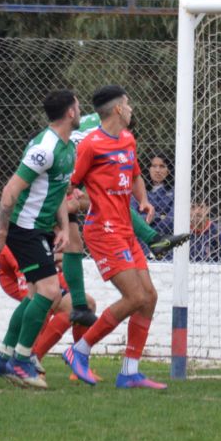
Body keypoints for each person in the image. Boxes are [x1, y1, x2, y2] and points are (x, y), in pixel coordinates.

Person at [61, 85, 164, 390]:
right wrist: (66, 214)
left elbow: (133, 175)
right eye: (128, 104)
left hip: (125, 229)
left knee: (149, 297)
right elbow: (70, 184)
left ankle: (130, 371)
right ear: (118, 109)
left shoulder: (128, 139)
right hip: (103, 232)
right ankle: (78, 351)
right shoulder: (91, 145)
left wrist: (143, 200)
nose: (132, 108)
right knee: (134, 297)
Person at [0, 89, 80, 389]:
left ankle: (3, 356)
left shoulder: (68, 148)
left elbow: (58, 191)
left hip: (39, 229)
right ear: (70, 113)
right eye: (78, 106)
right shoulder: (45, 148)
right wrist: (2, 231)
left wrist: (63, 227)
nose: (80, 109)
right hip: (24, 229)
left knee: (35, 294)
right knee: (51, 291)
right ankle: (22, 360)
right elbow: (10, 191)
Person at [0, 246, 100, 381]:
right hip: (26, 270)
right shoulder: (17, 241)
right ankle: (27, 361)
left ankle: (79, 365)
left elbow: (67, 253)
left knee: (87, 305)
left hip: (46, 267)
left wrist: (57, 257)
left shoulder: (56, 228)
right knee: (43, 305)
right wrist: (55, 257)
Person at [146, 154, 175, 236]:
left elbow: (171, 220)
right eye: (154, 166)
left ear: (168, 170)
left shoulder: (175, 192)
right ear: (148, 169)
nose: (157, 170)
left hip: (165, 238)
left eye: (162, 166)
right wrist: (160, 216)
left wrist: (151, 218)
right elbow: (134, 217)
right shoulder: (139, 190)